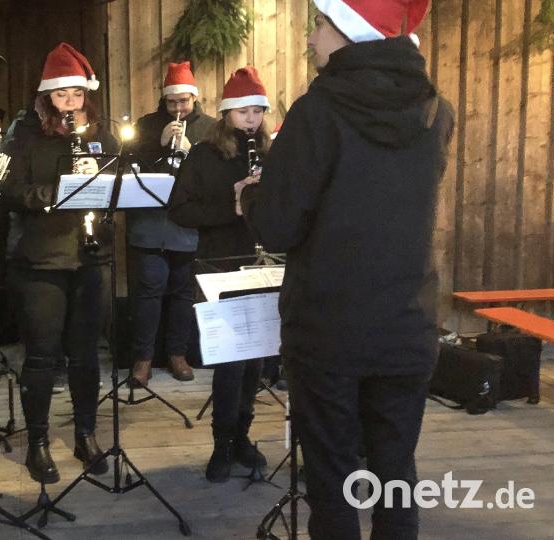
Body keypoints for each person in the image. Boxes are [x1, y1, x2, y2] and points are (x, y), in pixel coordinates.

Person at [237, 1, 452, 538]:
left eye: (321, 24)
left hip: (329, 328)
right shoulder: (437, 110)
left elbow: (280, 229)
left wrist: (251, 199)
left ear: (351, 32)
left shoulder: (318, 111)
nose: (312, 38)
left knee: (332, 483)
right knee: (396, 478)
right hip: (407, 323)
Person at [0, 42, 118, 484]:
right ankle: (37, 442)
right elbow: (7, 191)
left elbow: (116, 187)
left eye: (77, 94)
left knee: (87, 354)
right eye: (61, 95)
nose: (70, 103)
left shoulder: (102, 137)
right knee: (43, 355)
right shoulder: (25, 135)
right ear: (46, 96)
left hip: (92, 256)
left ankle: (86, 434)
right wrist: (55, 195)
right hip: (41, 259)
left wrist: (104, 188)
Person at [168, 67, 270, 483]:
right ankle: (221, 443)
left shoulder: (270, 151)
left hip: (263, 264)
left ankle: (242, 436)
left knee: (255, 363)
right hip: (220, 266)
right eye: (244, 111)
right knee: (231, 363)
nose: (252, 119)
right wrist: (231, 207)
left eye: (258, 111)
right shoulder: (205, 156)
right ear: (227, 113)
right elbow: (179, 210)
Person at [125, 61, 215, 388]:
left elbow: (214, 177)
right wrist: (158, 145)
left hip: (187, 227)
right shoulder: (147, 125)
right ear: (163, 102)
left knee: (182, 293)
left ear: (194, 98)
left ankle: (178, 354)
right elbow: (129, 165)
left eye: (184, 102)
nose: (178, 108)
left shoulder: (209, 128)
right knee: (148, 292)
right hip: (149, 224)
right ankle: (143, 358)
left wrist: (192, 153)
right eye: (171, 102)